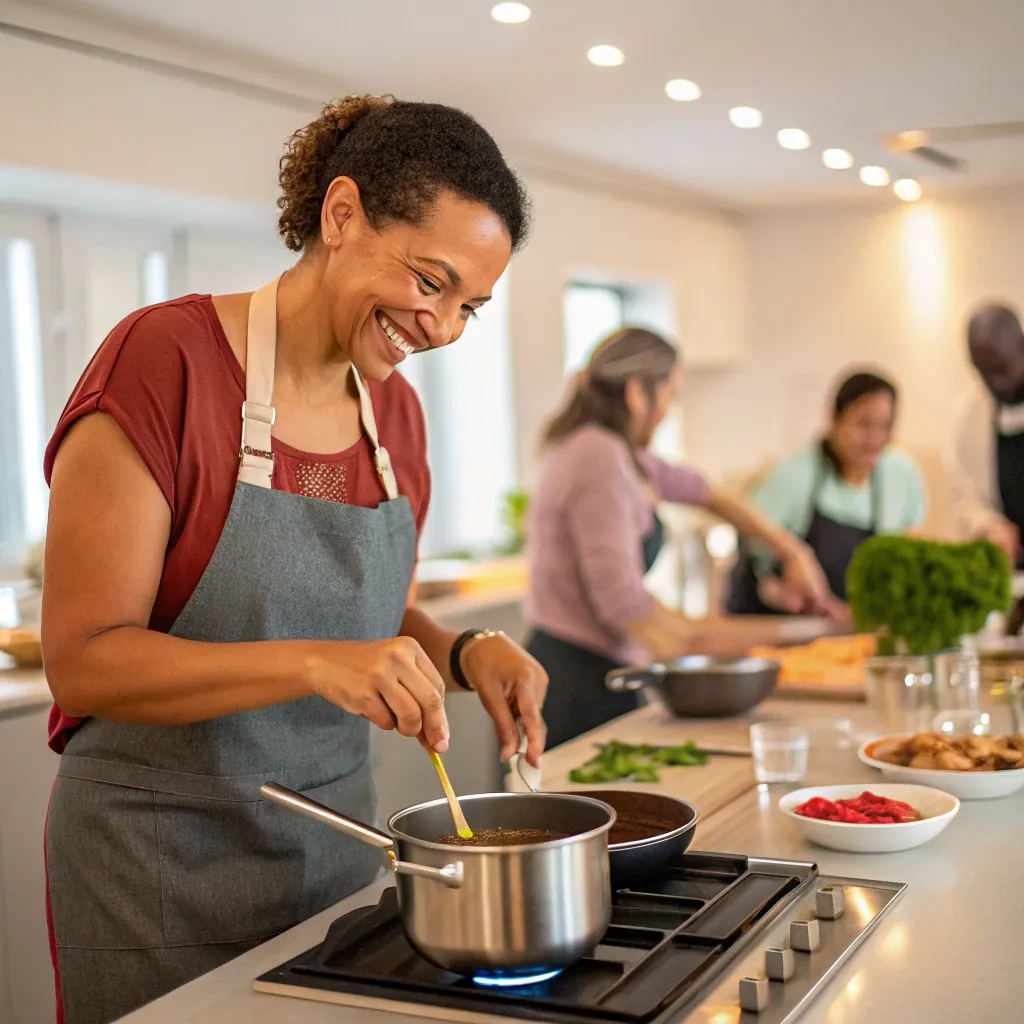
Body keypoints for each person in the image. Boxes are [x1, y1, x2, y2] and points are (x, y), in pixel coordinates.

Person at [41, 95, 548, 1024]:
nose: (441, 328)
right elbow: (84, 657)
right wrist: (313, 663)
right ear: (342, 214)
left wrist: (468, 651)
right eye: (431, 281)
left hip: (334, 856)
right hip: (157, 871)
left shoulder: (396, 416)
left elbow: (369, 617)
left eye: (468, 307)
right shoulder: (169, 360)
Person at [522, 328, 832, 749]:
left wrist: (791, 550)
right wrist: (795, 634)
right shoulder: (599, 459)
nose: (668, 411)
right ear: (637, 393)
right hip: (577, 686)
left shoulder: (613, 452)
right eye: (670, 395)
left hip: (591, 670)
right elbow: (622, 602)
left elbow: (701, 490)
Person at [727, 370, 927, 615]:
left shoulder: (902, 474)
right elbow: (753, 541)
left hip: (852, 626)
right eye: (864, 424)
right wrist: (781, 582)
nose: (874, 438)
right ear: (834, 419)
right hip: (785, 623)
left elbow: (912, 548)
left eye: (884, 426)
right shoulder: (795, 472)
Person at [948, 303, 1024, 564]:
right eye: (983, 371)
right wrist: (989, 526)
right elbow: (965, 493)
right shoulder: (970, 415)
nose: (995, 382)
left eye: (1002, 368)